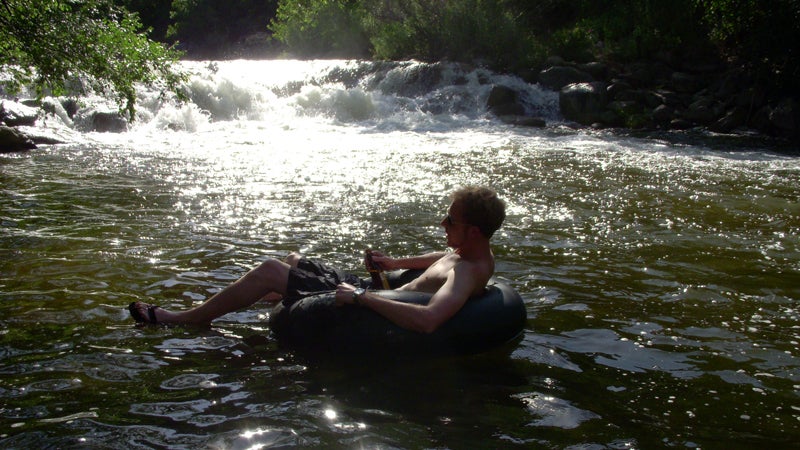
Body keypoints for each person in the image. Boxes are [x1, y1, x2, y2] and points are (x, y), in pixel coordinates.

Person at [129, 186, 505, 334]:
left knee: (271, 270)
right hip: (380, 289)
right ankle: (255, 297)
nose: (442, 224)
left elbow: (428, 320)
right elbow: (441, 257)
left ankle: (186, 319)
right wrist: (391, 264)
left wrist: (362, 298)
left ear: (473, 230)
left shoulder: (468, 273)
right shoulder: (468, 250)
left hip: (372, 303)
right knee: (294, 259)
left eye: (450, 220)